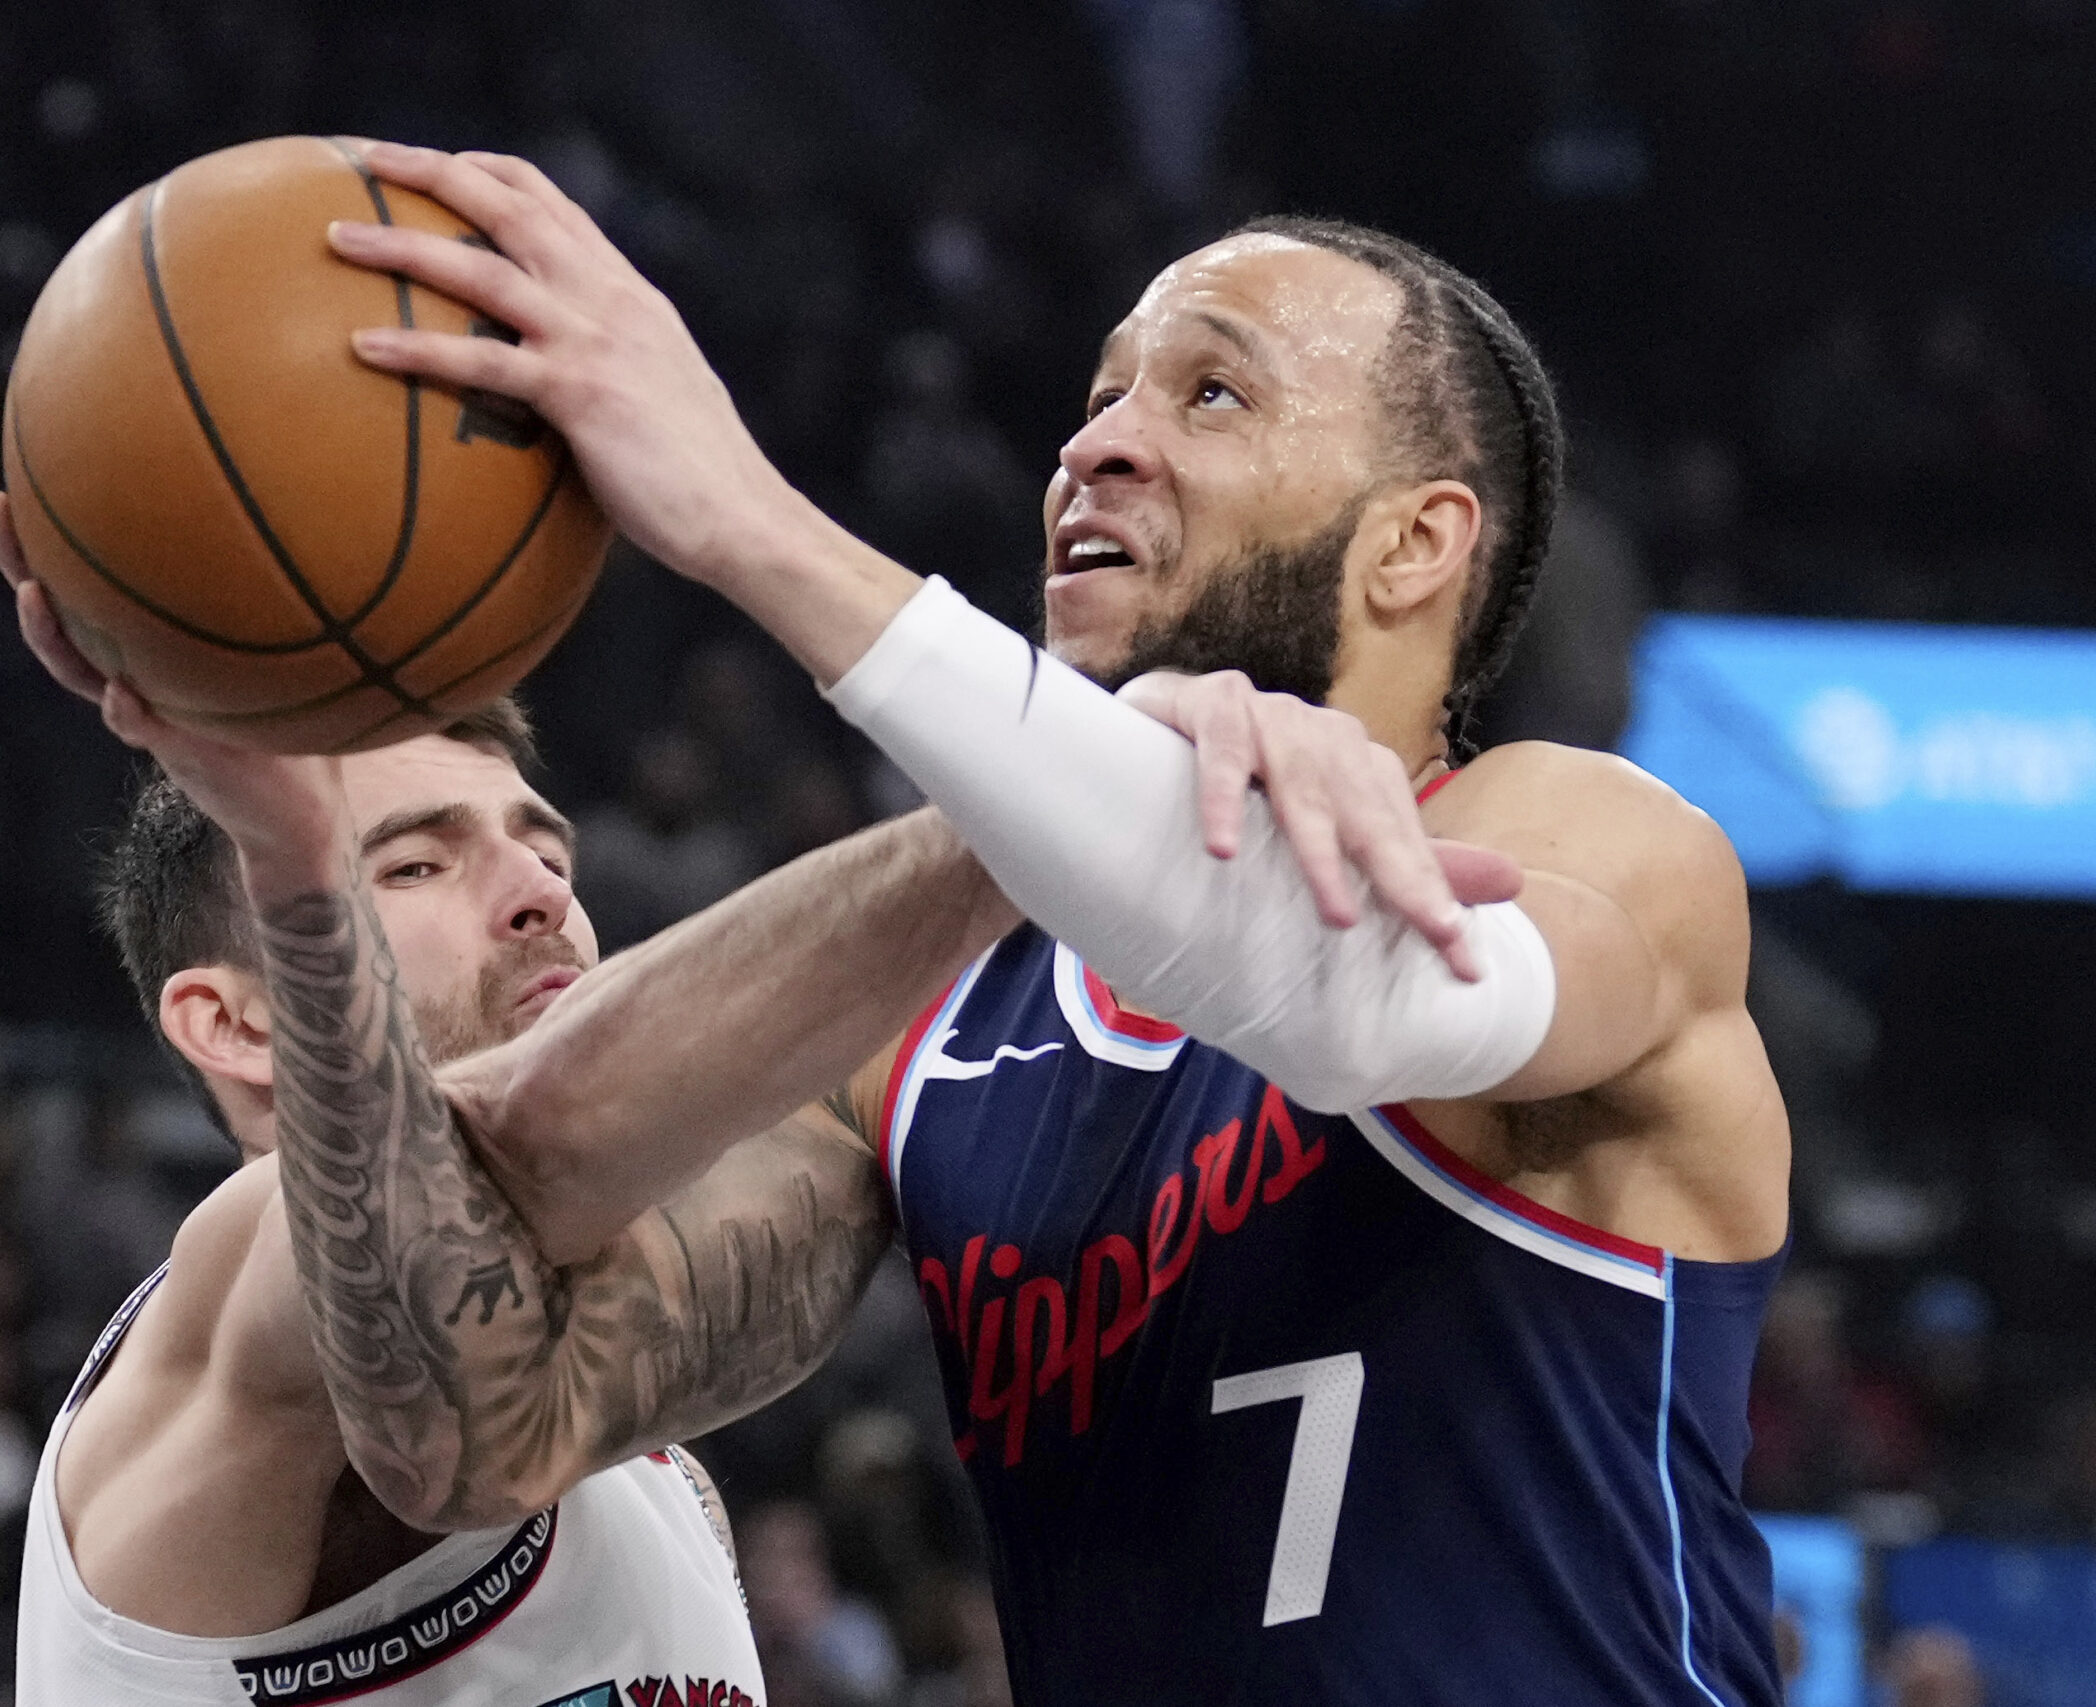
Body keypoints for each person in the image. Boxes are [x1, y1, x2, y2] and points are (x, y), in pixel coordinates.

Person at [294, 142, 1793, 1705]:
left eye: (1212, 396)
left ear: (1415, 542)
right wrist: (280, 845)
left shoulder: (1603, 843)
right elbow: (478, 1423)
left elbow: (1357, 1010)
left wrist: (746, 517)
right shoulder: (932, 1030)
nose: (1101, 447)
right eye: (1099, 398)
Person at [0, 497, 917, 1706]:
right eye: (416, 863)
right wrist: (1039, 793)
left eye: (547, 851)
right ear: (237, 1021)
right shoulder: (228, 1294)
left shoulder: (661, 1474)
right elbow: (456, 1183)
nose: (536, 890)